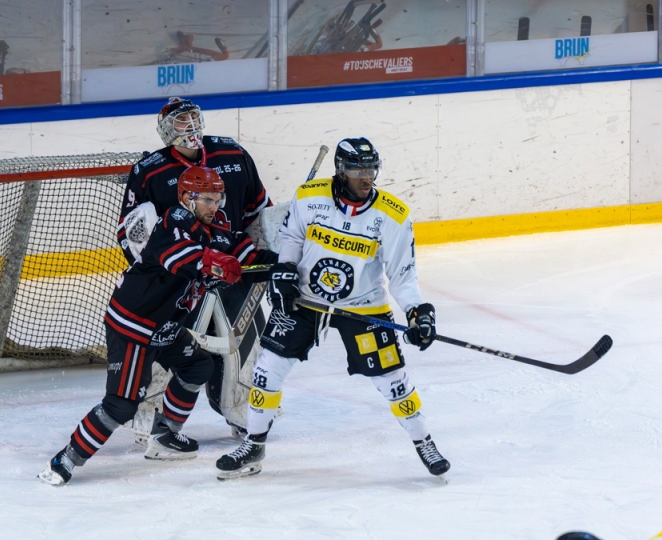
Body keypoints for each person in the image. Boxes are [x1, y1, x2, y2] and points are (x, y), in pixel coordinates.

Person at [215, 138, 451, 480]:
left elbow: (402, 274)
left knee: (394, 382)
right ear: (340, 171)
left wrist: (418, 312)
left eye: (371, 170)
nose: (366, 178)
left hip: (363, 305)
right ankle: (253, 444)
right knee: (267, 371)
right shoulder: (309, 196)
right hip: (306, 300)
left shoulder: (392, 215)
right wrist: (285, 271)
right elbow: (293, 238)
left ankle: (424, 441)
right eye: (357, 171)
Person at [39, 167, 276, 486]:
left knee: (197, 367)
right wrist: (215, 264)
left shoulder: (213, 224)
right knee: (121, 404)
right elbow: (179, 256)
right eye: (207, 198)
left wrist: (278, 266)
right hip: (135, 325)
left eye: (218, 198)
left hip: (164, 324)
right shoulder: (174, 221)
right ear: (186, 198)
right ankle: (65, 459)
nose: (214, 205)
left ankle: (165, 436)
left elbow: (238, 257)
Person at [117, 97, 272, 432]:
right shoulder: (149, 171)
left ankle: (244, 408)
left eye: (192, 118)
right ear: (165, 130)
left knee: (246, 341)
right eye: (179, 121)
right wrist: (155, 276)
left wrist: (263, 263)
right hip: (178, 280)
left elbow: (257, 214)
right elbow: (131, 233)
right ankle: (149, 411)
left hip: (232, 269)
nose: (189, 127)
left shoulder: (232, 155)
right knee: (164, 340)